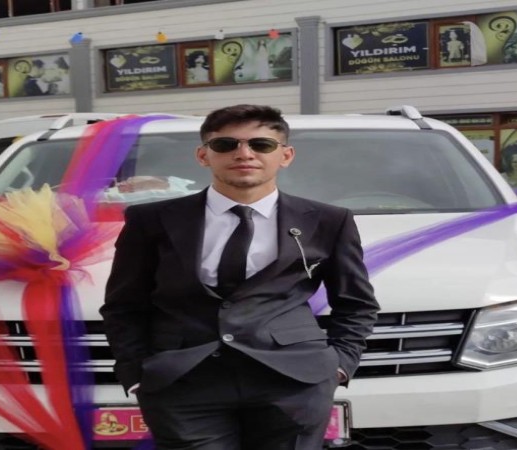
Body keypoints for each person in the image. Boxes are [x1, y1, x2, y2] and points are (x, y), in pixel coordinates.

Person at [101, 104, 379, 449]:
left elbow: (356, 303)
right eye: (225, 144)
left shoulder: (328, 221)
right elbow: (124, 305)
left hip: (294, 380)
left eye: (261, 144)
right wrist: (135, 372)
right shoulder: (151, 220)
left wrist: (338, 365)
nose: (244, 153)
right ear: (203, 155)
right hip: (183, 381)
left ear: (286, 155)